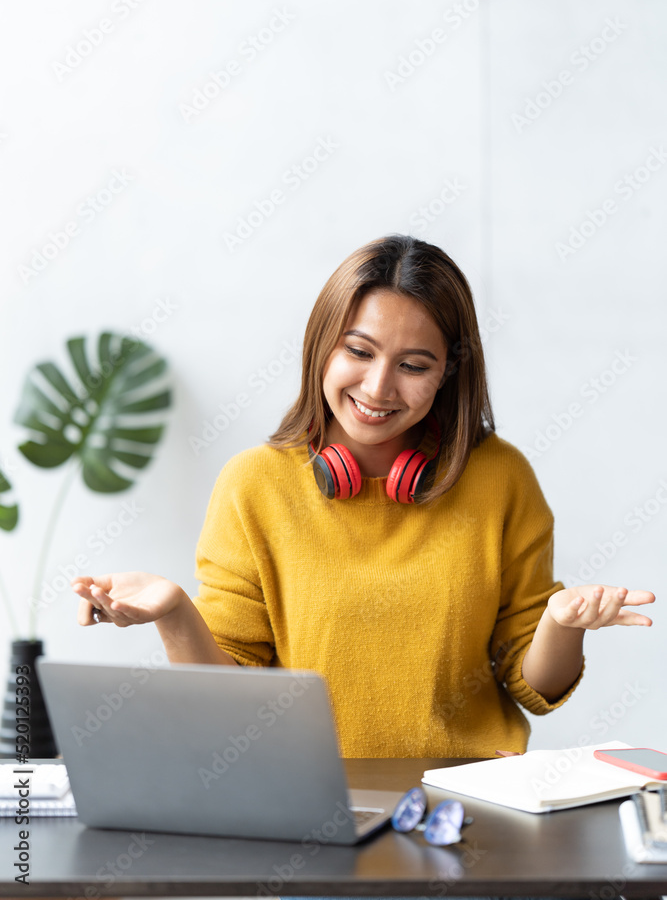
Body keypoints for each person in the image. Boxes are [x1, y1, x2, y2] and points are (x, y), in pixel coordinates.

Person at [71, 234, 655, 759]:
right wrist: (174, 611)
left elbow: (536, 688)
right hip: (308, 813)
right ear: (322, 345)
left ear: (449, 371)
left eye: (413, 365)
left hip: (465, 818)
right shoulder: (254, 484)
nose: (378, 388)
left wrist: (559, 623)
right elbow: (224, 705)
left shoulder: (501, 478)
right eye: (358, 351)